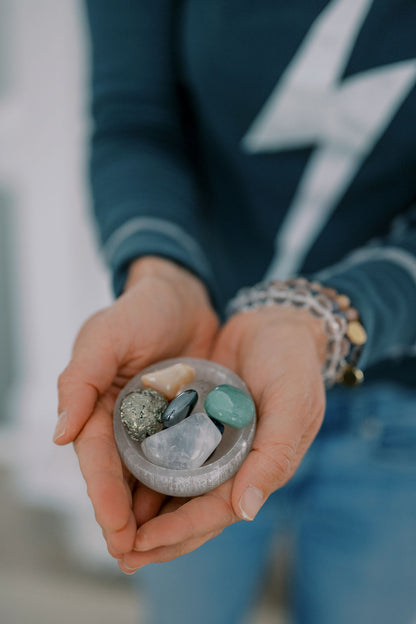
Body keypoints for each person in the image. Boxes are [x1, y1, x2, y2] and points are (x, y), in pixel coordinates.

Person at [55, 1, 416, 622]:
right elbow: (136, 118)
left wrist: (317, 322)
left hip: (400, 409)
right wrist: (161, 272)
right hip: (199, 348)